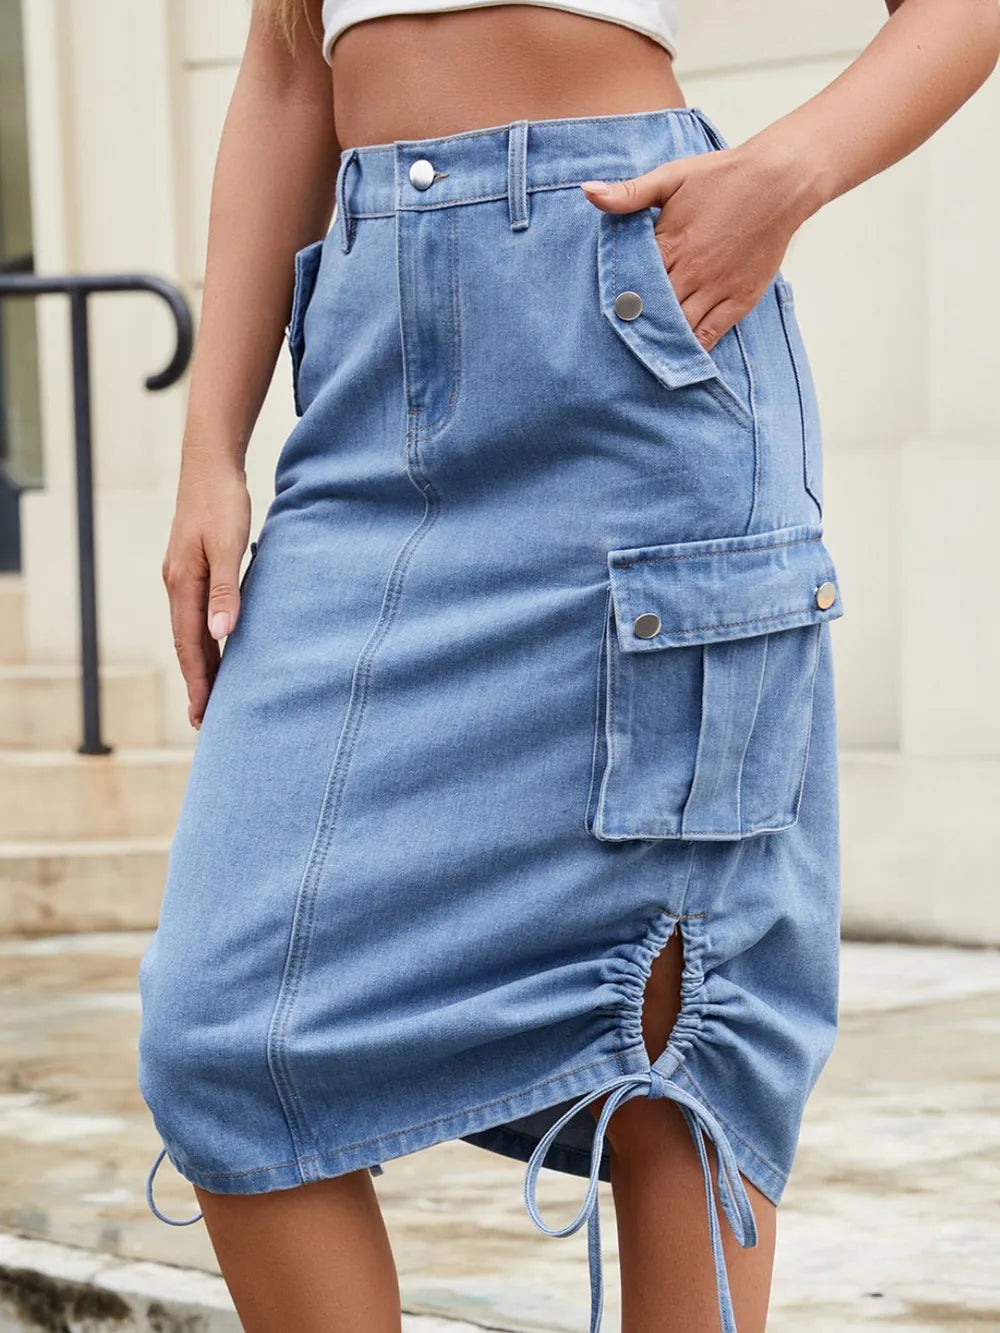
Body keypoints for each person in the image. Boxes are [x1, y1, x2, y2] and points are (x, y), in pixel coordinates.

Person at [137, 3, 1000, 1331]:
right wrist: (210, 446)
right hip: (369, 396)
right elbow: (280, 71)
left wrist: (787, 172)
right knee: (224, 1035)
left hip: (638, 336)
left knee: (679, 1032)